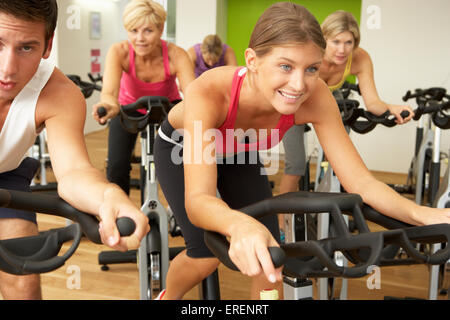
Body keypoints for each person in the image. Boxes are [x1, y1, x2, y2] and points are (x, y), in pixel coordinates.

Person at [153, 2, 450, 300]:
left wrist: (422, 214)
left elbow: (360, 183)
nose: (298, 84)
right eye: (285, 66)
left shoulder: (316, 94)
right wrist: (238, 223)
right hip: (179, 149)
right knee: (205, 255)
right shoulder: (211, 92)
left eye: (311, 68)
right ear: (252, 60)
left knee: (270, 257)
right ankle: (168, 297)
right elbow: (199, 200)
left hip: (238, 153)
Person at [0, 0, 149, 300]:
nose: (8, 68)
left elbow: (73, 172)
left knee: (23, 284)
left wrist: (108, 196)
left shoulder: (59, 93)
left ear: (47, 45)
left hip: (6, 177)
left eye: (26, 47)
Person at [279, 10, 415, 210]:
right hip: (296, 102)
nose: (342, 50)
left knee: (340, 167)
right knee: (296, 166)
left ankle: (328, 215)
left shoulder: (359, 58)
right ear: (324, 38)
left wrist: (392, 108)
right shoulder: (310, 52)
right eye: (335, 42)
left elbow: (373, 103)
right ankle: (282, 224)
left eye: (348, 42)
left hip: (325, 103)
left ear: (355, 42)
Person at [92, 0, 195, 195]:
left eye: (148, 31)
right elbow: (109, 92)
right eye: (133, 31)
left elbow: (192, 93)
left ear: (161, 29)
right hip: (127, 109)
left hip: (167, 109)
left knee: (175, 164)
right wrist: (108, 105)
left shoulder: (176, 55)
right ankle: (121, 213)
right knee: (116, 166)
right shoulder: (119, 52)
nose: (139, 38)